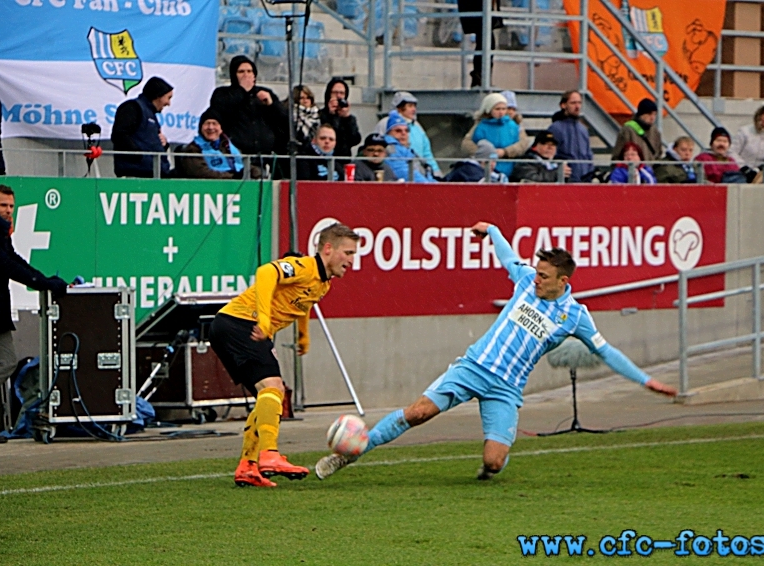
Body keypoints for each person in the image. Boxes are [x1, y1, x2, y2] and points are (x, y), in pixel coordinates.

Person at [314, 222, 676, 481]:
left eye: (544, 277)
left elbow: (607, 352)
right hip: (473, 366)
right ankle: (349, 455)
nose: (536, 279)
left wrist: (646, 380)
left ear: (563, 282)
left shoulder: (575, 316)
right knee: (418, 412)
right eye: (535, 273)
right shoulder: (524, 279)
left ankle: (488, 472)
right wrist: (491, 231)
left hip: (506, 388)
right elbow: (507, 255)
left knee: (494, 461)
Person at [210, 223, 360, 487]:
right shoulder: (305, 267)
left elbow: (303, 303)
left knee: (267, 394)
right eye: (347, 252)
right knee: (273, 386)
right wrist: (265, 319)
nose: (351, 260)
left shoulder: (323, 284)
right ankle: (269, 455)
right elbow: (267, 272)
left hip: (232, 327)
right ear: (328, 249)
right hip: (242, 323)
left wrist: (304, 335)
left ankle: (248, 465)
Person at [0, 185, 68, 443]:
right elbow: (3, 264)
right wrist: (41, 283)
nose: (8, 211)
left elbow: (14, 258)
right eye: (3, 205)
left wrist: (42, 279)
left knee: (6, 362)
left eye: (11, 206)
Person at [209, 56, 289, 164]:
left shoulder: (264, 93)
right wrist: (242, 90)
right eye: (241, 72)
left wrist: (271, 104)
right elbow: (219, 111)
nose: (246, 75)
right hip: (235, 155)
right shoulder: (222, 93)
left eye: (249, 71)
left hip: (264, 156)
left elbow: (283, 120)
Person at [111, 76, 173, 178]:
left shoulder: (150, 114)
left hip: (154, 173)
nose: (168, 103)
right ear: (158, 95)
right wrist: (138, 155)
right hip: (136, 174)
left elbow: (148, 141)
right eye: (168, 98)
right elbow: (120, 135)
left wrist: (163, 144)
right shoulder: (133, 108)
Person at [175, 108, 261, 180]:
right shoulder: (193, 148)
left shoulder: (229, 146)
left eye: (214, 124)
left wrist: (254, 171)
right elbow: (199, 172)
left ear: (221, 128)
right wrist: (233, 177)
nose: (210, 127)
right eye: (207, 124)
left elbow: (242, 164)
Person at [461, 93, 529, 178]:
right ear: (489, 109)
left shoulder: (514, 126)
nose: (501, 112)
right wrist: (485, 153)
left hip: (510, 169)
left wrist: (506, 151)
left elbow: (523, 144)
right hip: (485, 169)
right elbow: (467, 145)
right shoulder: (480, 126)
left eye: (504, 109)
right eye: (497, 109)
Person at [375, 91, 441, 176]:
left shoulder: (417, 126)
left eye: (414, 106)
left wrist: (436, 173)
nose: (414, 109)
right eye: (410, 106)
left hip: (420, 171)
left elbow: (427, 153)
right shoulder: (385, 123)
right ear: (399, 107)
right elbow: (378, 146)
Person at [549, 90, 594, 182]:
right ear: (563, 105)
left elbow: (588, 155)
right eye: (573, 103)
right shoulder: (555, 128)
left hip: (584, 181)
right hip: (566, 181)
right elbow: (550, 155)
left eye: (579, 103)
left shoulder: (583, 129)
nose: (577, 106)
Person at [729, 102, 764, 174]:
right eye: (763, 113)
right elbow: (731, 151)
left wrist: (759, 169)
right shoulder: (744, 131)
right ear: (758, 116)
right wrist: (744, 168)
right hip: (740, 171)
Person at [458, 0, 502, 87]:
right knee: (486, 42)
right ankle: (480, 78)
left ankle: (481, 78)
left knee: (487, 43)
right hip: (478, 8)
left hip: (483, 9)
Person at [384, 111, 435, 183]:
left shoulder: (407, 149)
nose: (403, 133)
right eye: (398, 131)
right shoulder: (391, 148)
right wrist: (430, 187)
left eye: (407, 130)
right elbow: (403, 172)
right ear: (389, 133)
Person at [611, 98, 664, 165]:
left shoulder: (655, 131)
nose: (652, 117)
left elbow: (658, 154)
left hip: (649, 173)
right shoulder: (627, 130)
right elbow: (618, 156)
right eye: (649, 114)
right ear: (641, 114)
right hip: (632, 172)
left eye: (655, 114)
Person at [319, 78, 361, 161]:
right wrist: (332, 115)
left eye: (342, 93)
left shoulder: (349, 118)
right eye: (335, 92)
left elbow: (355, 140)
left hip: (343, 160)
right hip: (324, 159)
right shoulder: (320, 114)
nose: (338, 96)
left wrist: (347, 118)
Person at [442, 140, 508, 183]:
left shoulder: (485, 170)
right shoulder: (468, 169)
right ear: (481, 160)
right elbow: (479, 181)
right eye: (489, 161)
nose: (493, 164)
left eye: (495, 161)